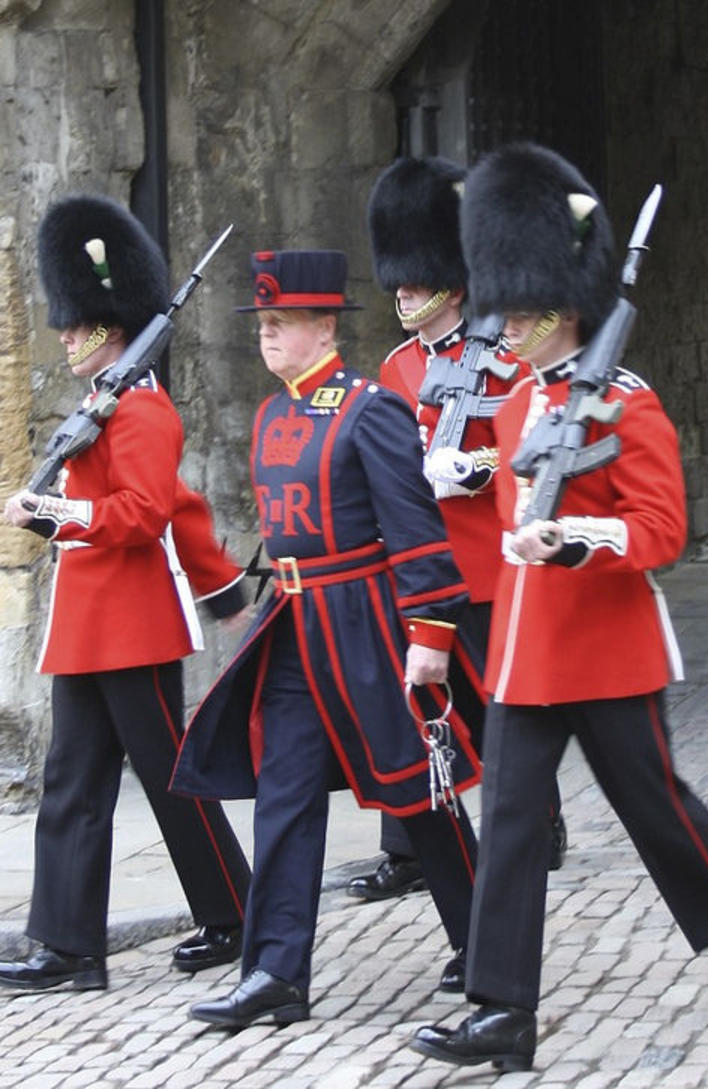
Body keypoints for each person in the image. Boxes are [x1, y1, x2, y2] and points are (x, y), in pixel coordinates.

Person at [411, 144, 708, 1073]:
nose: (513, 329)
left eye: (526, 315)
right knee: (512, 827)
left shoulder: (627, 404)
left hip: (610, 648)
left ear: (564, 310)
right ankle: (502, 1009)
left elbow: (660, 529)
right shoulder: (511, 409)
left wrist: (579, 539)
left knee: (656, 809)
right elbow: (504, 519)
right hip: (530, 653)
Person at [171, 249, 480, 1028]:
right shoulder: (274, 413)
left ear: (321, 325)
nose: (266, 338)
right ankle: (275, 970)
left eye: (279, 324)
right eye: (262, 325)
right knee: (283, 795)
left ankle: (487, 940)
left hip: (368, 628)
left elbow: (416, 534)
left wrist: (431, 634)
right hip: (296, 630)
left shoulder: (369, 408)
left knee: (418, 792)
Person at [0, 195, 251, 993]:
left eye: (77, 326)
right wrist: (49, 515)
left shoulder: (140, 412)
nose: (65, 336)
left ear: (108, 327)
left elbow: (140, 515)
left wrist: (55, 507)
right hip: (86, 623)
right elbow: (90, 520)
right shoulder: (100, 407)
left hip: (132, 623)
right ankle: (68, 947)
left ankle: (235, 910)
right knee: (72, 781)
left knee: (171, 775)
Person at [348, 156, 564, 907]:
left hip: (490, 562)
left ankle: (538, 823)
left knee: (502, 706)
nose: (404, 291)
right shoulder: (397, 364)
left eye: (416, 278)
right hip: (422, 566)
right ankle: (410, 845)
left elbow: (538, 435)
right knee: (412, 710)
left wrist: (475, 466)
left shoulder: (506, 355)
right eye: (399, 280)